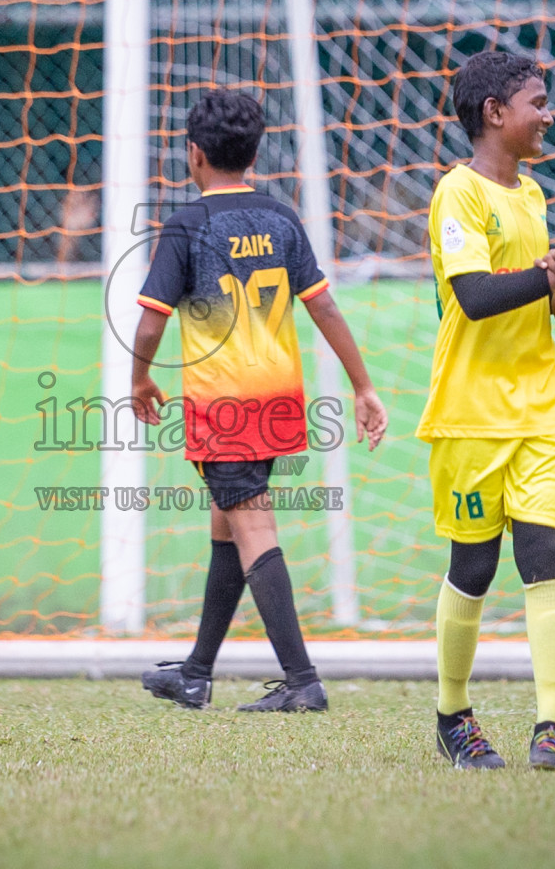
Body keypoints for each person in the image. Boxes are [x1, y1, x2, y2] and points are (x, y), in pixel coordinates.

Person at [131, 89, 387, 713]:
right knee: (228, 525)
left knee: (251, 527)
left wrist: (139, 379)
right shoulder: (281, 218)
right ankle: (195, 673)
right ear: (253, 152)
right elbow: (322, 303)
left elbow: (149, 322)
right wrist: (362, 386)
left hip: (224, 406)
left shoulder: (188, 225)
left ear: (193, 154)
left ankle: (302, 680)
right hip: (277, 401)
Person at [417, 52, 555, 769]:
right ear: (495, 113)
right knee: (472, 569)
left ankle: (550, 725)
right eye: (537, 101)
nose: (550, 115)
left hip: (540, 410)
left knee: (547, 562)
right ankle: (452, 715)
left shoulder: (535, 196)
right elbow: (474, 297)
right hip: (470, 415)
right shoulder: (458, 193)